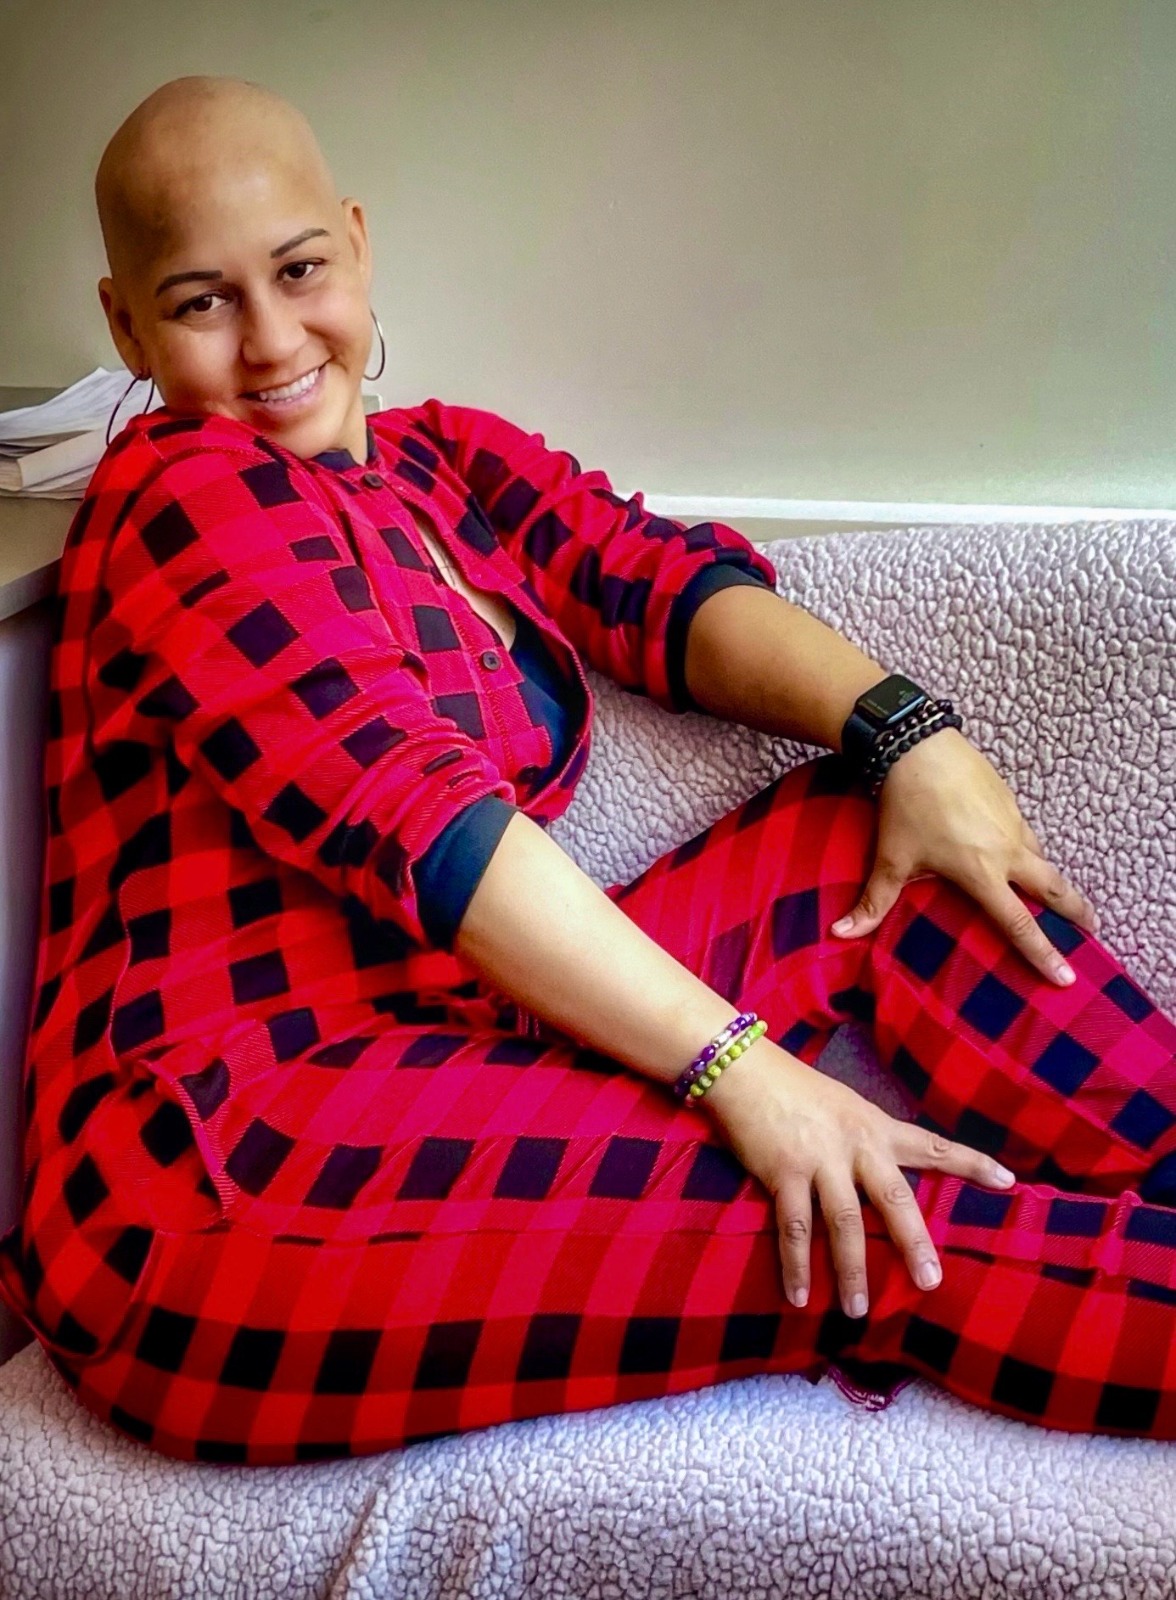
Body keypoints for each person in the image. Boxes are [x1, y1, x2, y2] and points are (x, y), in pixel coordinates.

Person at [1, 74, 1175, 1469]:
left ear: (357, 244)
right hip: (225, 1172)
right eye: (203, 302)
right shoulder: (184, 491)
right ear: (127, 324)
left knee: (873, 835)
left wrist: (912, 733)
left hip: (461, 1039)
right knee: (848, 1206)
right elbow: (423, 823)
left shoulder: (440, 463)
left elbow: (658, 585)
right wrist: (747, 1074)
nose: (269, 341)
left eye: (300, 270)